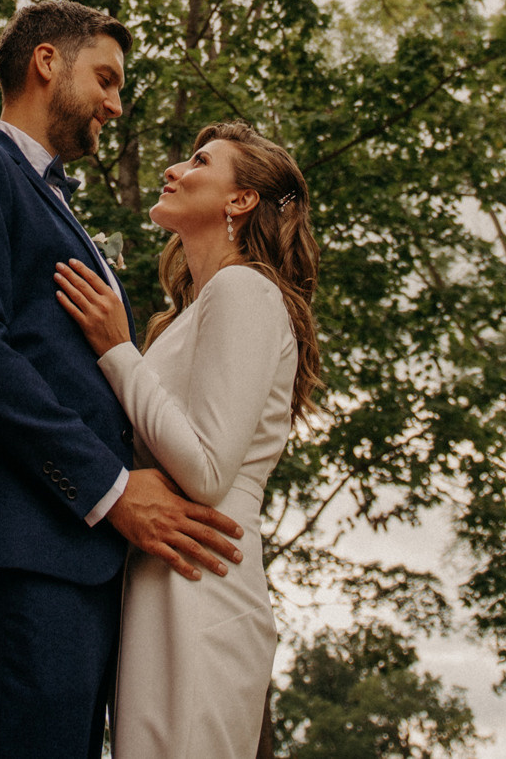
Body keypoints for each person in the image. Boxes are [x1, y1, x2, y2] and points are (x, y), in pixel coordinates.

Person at [0, 0, 247, 759]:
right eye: (107, 79)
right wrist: (111, 487)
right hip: (10, 550)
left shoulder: (62, 206)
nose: (117, 105)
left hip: (74, 564)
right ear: (46, 61)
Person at [53, 120, 322, 759]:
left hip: (205, 582)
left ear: (240, 200)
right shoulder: (180, 319)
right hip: (158, 575)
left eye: (199, 161)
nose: (174, 170)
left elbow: (204, 470)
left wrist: (118, 352)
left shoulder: (244, 289)